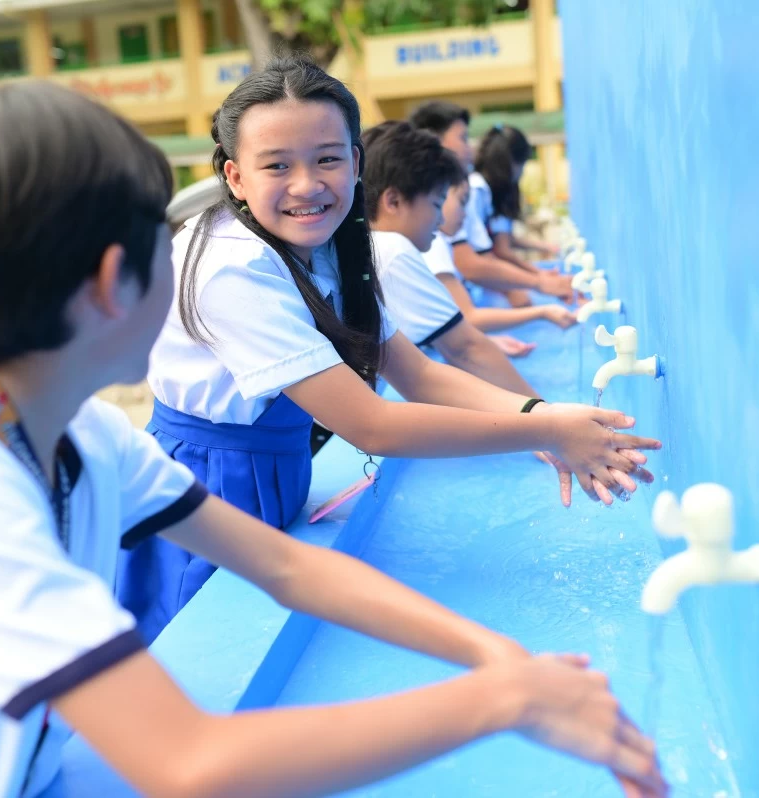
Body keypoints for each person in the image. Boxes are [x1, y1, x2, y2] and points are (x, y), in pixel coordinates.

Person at [0, 80, 667, 798]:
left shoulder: (78, 430)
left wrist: (495, 655)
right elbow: (187, 761)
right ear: (118, 278)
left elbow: (289, 566)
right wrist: (508, 703)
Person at [122, 56, 660, 645]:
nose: (308, 184)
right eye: (277, 165)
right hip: (209, 488)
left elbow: (421, 375)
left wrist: (540, 416)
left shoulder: (328, 244)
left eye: (327, 158)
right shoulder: (234, 269)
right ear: (235, 178)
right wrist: (549, 431)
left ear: (356, 163)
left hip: (269, 472)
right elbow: (373, 426)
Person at [360, 120, 543, 394]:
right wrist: (549, 417)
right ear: (393, 201)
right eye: (436, 204)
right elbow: (465, 348)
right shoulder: (392, 250)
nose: (441, 219)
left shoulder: (366, 244)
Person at [409, 100, 572, 306]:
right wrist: (538, 282)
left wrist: (539, 280)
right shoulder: (472, 191)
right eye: (463, 138)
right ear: (435, 142)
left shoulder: (462, 194)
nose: (470, 148)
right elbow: (472, 264)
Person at [426, 166, 577, 337]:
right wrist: (542, 311)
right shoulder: (435, 245)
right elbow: (469, 317)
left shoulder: (440, 243)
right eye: (462, 201)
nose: (466, 215)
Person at [474, 124, 558, 272]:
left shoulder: (487, 188)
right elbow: (501, 250)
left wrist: (546, 247)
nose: (522, 173)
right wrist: (539, 276)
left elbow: (503, 238)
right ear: (512, 162)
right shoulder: (479, 190)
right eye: (523, 164)